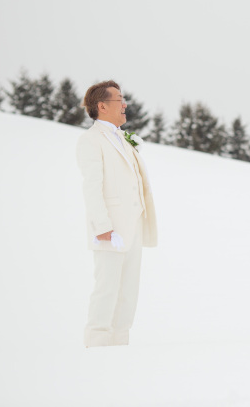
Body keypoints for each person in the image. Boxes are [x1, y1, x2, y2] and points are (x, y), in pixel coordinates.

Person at [77, 80, 158, 347]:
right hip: (110, 229)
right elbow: (92, 186)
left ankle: (120, 346)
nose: (125, 105)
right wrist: (102, 226)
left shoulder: (123, 138)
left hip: (133, 226)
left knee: (128, 292)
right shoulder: (91, 140)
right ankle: (97, 345)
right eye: (119, 100)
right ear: (102, 106)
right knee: (107, 289)